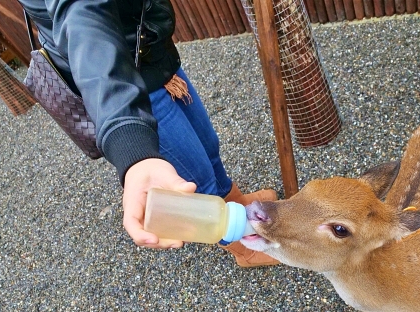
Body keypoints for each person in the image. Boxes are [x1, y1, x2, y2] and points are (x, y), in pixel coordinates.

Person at [19, 0, 278, 267]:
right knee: (196, 181)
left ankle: (237, 206)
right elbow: (84, 17)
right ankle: (243, 248)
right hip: (125, 81)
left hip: (153, 53)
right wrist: (131, 142)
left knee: (208, 147)